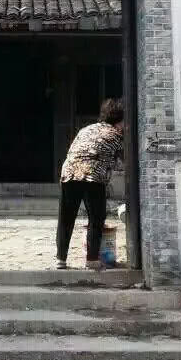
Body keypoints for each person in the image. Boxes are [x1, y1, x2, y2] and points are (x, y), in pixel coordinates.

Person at [56, 97, 124, 270]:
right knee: (97, 217)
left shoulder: (87, 128)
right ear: (120, 120)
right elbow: (121, 163)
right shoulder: (116, 134)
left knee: (66, 217)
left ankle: (61, 259)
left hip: (69, 172)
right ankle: (92, 259)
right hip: (92, 176)